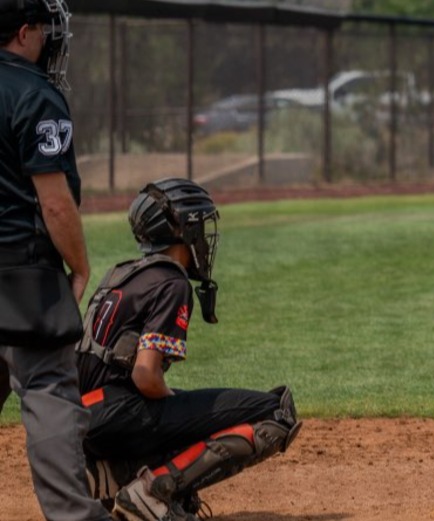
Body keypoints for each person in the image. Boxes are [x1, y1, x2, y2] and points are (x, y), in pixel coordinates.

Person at [75, 179, 302, 521]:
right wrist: (179, 405)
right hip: (117, 416)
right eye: (198, 225)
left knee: (180, 412)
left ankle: (107, 475)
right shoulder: (171, 280)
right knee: (275, 413)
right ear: (182, 230)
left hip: (83, 422)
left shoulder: (121, 273)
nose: (204, 238)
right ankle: (152, 495)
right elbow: (145, 375)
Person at [0, 1, 116, 520]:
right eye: (45, 29)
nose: (51, 38)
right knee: (47, 388)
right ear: (23, 33)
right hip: (23, 272)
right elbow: (54, 202)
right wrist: (81, 267)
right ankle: (73, 515)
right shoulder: (35, 94)